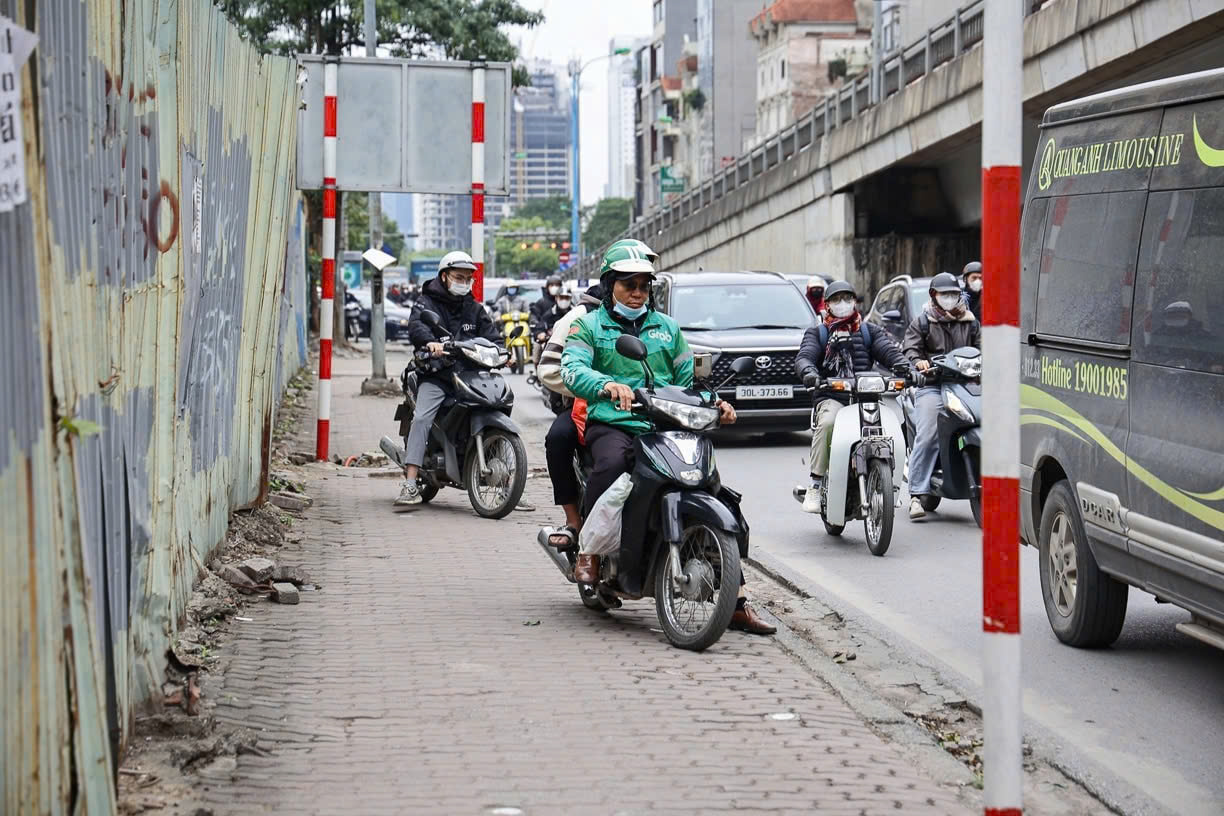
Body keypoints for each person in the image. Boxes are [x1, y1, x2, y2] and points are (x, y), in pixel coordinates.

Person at [560, 244, 775, 634]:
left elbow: (686, 383)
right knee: (609, 466)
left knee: (711, 486)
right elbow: (572, 369)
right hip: (616, 423)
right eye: (629, 284)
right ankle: (589, 552)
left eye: (644, 284)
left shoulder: (667, 328)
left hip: (666, 425)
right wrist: (607, 385)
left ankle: (737, 599)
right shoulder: (588, 326)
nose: (637, 292)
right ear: (611, 285)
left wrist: (715, 402)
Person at [395, 250, 502, 507]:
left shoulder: (474, 308)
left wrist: (503, 351)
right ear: (444, 277)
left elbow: (492, 336)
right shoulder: (426, 302)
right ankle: (409, 484)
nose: (464, 282)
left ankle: (507, 484)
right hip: (437, 374)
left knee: (497, 405)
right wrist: (430, 342)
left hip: (470, 374)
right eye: (459, 276)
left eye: (468, 278)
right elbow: (417, 326)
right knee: (422, 418)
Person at [795, 280, 909, 514]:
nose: (843, 304)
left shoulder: (869, 331)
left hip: (866, 398)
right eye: (836, 300)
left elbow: (890, 353)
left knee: (892, 430)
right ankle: (816, 484)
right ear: (827, 305)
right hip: (832, 396)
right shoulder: (819, 333)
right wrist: (809, 372)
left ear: (855, 302)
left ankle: (893, 486)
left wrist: (909, 368)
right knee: (827, 424)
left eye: (847, 298)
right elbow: (804, 357)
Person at [902, 271, 981, 521]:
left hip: (967, 385)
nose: (950, 299)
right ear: (933, 296)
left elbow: (983, 348)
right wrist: (919, 363)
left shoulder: (970, 321)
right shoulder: (922, 322)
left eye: (954, 294)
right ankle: (916, 494)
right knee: (927, 435)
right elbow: (910, 350)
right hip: (933, 385)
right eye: (944, 295)